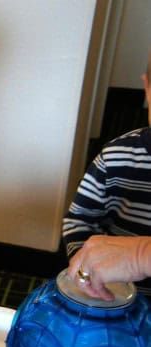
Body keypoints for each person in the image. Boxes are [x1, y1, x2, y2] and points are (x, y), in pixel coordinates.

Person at [63, 50, 151, 299]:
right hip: (117, 300)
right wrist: (87, 271)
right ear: (147, 88)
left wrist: (140, 255)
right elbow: (80, 221)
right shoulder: (116, 156)